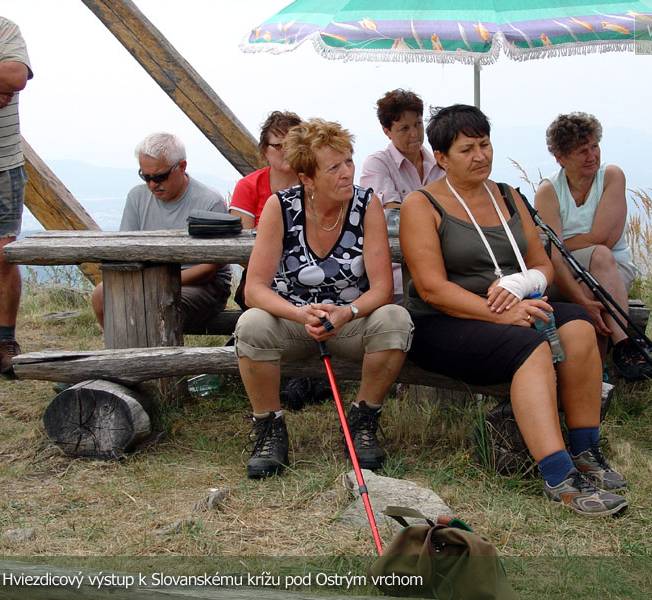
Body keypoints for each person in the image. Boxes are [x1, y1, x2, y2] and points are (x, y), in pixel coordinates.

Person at [401, 104, 627, 518]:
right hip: (445, 322)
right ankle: (558, 476)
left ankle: (585, 450)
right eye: (467, 149)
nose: (480, 156)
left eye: (485, 145)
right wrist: (499, 314)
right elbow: (432, 289)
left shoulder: (508, 195)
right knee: (529, 346)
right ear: (442, 158)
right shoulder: (422, 204)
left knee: (578, 326)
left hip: (515, 309)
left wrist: (519, 287)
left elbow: (542, 264)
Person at [234, 118, 413, 479]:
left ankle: (363, 419)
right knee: (250, 324)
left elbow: (382, 288)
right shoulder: (280, 207)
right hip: (292, 322)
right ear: (307, 178)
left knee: (396, 320)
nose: (347, 173)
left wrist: (348, 312)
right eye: (334, 167)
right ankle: (269, 427)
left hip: (349, 322)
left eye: (349, 161)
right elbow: (254, 290)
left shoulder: (367, 205)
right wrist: (299, 314)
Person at [534, 112, 652, 382]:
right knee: (590, 280)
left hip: (613, 268)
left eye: (594, 146)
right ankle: (624, 348)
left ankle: (595, 375)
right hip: (564, 273)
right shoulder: (549, 191)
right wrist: (581, 300)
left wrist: (563, 244)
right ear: (561, 158)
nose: (592, 156)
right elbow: (552, 256)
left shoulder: (611, 176)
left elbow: (604, 238)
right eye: (582, 151)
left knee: (596, 271)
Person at [230, 111, 331, 409]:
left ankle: (305, 375)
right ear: (264, 150)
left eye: (294, 143)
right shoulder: (249, 186)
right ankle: (303, 376)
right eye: (278, 145)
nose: (286, 151)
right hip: (264, 277)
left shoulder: (320, 184)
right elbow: (240, 246)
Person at [91, 133, 231, 330]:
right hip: (150, 279)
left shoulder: (209, 202)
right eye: (145, 177)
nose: (152, 184)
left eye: (160, 177)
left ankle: (147, 349)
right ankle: (120, 347)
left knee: (155, 301)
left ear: (182, 167)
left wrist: (155, 283)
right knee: (101, 294)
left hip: (202, 285)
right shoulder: (137, 197)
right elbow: (125, 252)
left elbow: (208, 270)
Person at [360, 89, 444, 303]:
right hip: (397, 279)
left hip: (444, 273)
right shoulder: (378, 164)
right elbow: (392, 217)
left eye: (418, 124)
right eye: (404, 128)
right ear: (387, 131)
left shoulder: (441, 162)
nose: (414, 134)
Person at [0, 10, 32, 376]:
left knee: (2, 255)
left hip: (1, 164)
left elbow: (16, 76)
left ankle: (6, 341)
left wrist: (2, 83)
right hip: (3, 161)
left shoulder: (2, 28)